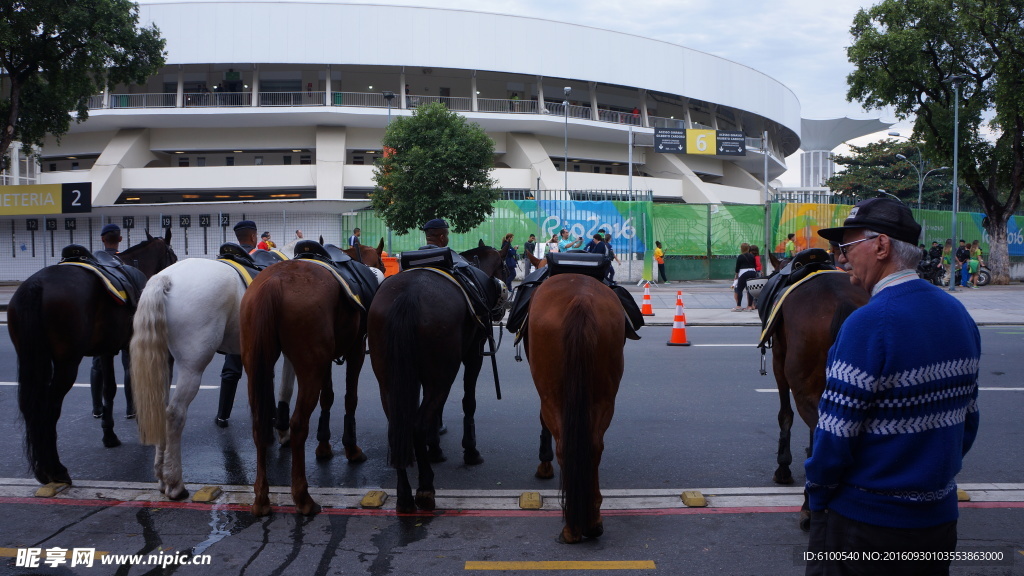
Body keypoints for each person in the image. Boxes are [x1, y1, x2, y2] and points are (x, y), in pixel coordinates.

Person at [809, 198, 980, 576]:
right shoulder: (958, 314)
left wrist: (818, 496)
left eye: (848, 247)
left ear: (882, 246)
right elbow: (967, 422)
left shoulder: (868, 324)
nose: (842, 258)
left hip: (867, 527)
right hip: (937, 522)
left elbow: (834, 437)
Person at [90, 223, 135, 419]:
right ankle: (131, 408)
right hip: (125, 323)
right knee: (129, 364)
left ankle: (97, 408)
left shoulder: (93, 265)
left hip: (100, 322)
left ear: (102, 239)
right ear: (120, 239)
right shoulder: (127, 265)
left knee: (98, 363)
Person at [216, 220, 259, 428]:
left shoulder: (227, 261)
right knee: (262, 370)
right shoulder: (260, 258)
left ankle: (222, 415)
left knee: (231, 370)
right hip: (256, 322)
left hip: (234, 322)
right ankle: (263, 414)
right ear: (253, 237)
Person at [732, 242, 757, 311]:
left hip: (743, 273)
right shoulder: (752, 256)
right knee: (750, 289)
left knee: (739, 289)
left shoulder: (740, 256)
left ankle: (739, 306)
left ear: (741, 249)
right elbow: (755, 265)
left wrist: (736, 276)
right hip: (752, 272)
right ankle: (749, 306)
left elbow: (737, 268)